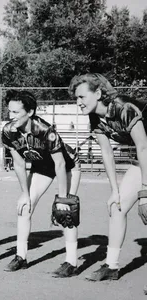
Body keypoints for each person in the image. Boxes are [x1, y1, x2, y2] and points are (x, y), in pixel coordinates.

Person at [69, 73, 147, 281]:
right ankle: (111, 266)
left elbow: (142, 145)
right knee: (116, 206)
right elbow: (107, 153)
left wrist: (145, 192)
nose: (78, 102)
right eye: (76, 98)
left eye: (82, 97)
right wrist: (114, 190)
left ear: (98, 93)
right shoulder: (94, 116)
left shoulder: (124, 108)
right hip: (144, 159)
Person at [1, 90, 81, 277]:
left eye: (16, 113)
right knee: (24, 207)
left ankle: (71, 262)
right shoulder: (7, 131)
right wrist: (24, 193)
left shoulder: (45, 131)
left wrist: (62, 198)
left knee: (67, 211)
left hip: (68, 167)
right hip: (42, 167)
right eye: (9, 112)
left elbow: (60, 164)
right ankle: (21, 257)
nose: (11, 117)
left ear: (30, 112)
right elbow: (19, 164)